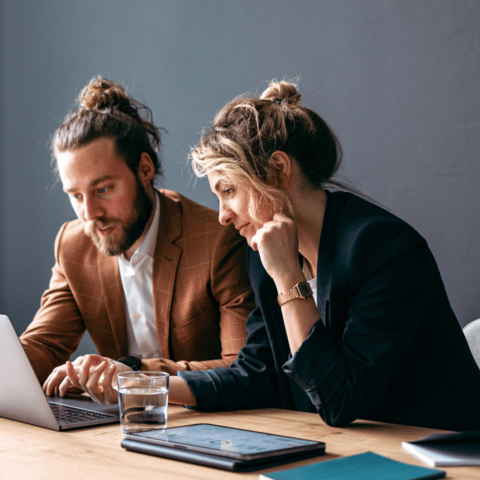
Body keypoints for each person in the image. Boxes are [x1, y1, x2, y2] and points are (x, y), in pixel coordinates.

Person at [71, 80, 480, 432]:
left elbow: (342, 400)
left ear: (278, 170)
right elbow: (256, 373)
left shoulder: (383, 248)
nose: (224, 216)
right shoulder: (264, 254)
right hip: (345, 451)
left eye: (229, 191)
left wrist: (288, 280)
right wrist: (140, 383)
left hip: (437, 454)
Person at [20, 77, 254, 397]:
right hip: (117, 427)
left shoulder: (218, 240)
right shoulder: (73, 244)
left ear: (144, 169)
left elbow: (241, 366)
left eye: (103, 189)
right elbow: (45, 343)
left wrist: (132, 372)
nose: (89, 213)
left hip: (205, 423)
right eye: (76, 196)